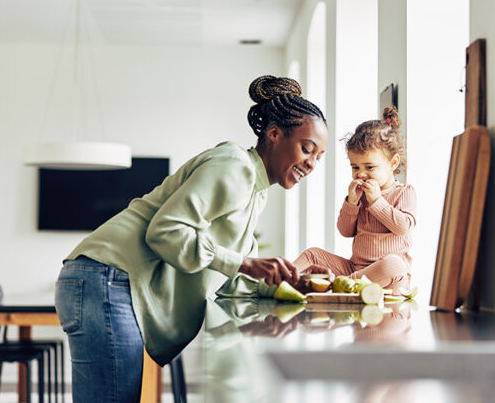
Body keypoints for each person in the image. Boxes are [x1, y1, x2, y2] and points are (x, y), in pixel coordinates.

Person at [54, 75, 330, 402]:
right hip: (106, 276)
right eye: (307, 149)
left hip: (107, 280)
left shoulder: (256, 192)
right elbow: (167, 231)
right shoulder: (234, 165)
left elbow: (228, 275)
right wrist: (244, 262)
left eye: (319, 157)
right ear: (273, 134)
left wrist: (290, 284)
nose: (311, 164)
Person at [294, 105, 417, 295]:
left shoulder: (404, 192)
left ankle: (340, 286)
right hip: (355, 270)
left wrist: (377, 202)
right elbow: (345, 231)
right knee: (312, 254)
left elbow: (403, 227)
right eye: (355, 167)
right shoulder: (361, 196)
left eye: (369, 167)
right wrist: (351, 203)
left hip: (386, 277)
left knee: (394, 264)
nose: (361, 174)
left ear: (393, 163)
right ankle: (283, 278)